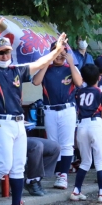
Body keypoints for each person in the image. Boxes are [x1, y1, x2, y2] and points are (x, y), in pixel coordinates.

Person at [0, 12, 67, 205]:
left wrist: (57, 50)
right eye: (0, 53)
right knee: (4, 165)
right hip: (1, 122)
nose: (4, 55)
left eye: (6, 52)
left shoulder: (17, 70)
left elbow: (40, 62)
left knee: (18, 167)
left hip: (19, 123)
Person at [32, 41, 83, 189]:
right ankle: (57, 172)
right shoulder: (46, 68)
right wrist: (47, 62)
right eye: (56, 52)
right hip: (50, 109)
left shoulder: (70, 68)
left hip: (67, 109)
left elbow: (79, 83)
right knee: (53, 144)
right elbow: (36, 82)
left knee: (67, 144)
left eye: (62, 51)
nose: (60, 55)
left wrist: (71, 63)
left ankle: (63, 175)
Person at [72, 64, 102, 203]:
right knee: (100, 161)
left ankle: (76, 191)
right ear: (98, 77)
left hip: (81, 125)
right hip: (95, 124)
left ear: (83, 78)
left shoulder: (79, 91)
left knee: (85, 161)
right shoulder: (100, 91)